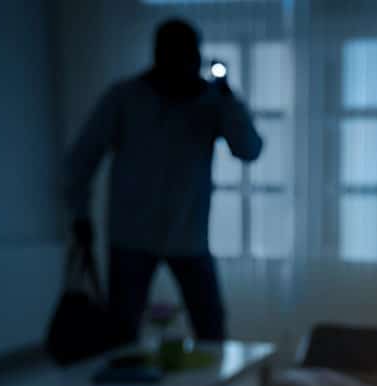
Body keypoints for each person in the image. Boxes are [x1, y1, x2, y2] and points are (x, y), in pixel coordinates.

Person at [64, 19, 262, 343]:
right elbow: (81, 159)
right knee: (122, 333)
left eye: (189, 56)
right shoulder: (125, 98)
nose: (184, 65)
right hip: (132, 236)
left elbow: (249, 150)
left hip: (189, 237)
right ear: (159, 56)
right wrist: (80, 214)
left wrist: (228, 98)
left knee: (210, 327)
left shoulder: (211, 102)